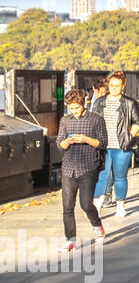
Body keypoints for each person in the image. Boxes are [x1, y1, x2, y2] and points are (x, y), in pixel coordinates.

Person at [56, 89, 107, 250]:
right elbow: (59, 144)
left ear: (83, 104)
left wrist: (85, 139)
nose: (74, 111)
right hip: (69, 167)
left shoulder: (96, 120)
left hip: (89, 166)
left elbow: (103, 143)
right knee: (67, 206)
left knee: (85, 204)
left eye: (76, 108)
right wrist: (68, 141)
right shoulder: (65, 121)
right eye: (71, 108)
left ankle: (96, 224)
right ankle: (70, 239)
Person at [92, 71, 139, 216]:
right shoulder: (99, 102)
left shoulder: (129, 103)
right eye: (111, 85)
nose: (114, 88)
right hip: (103, 145)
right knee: (101, 175)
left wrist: (130, 136)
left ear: (123, 86)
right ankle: (96, 206)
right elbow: (93, 121)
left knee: (120, 176)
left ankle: (120, 206)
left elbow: (138, 122)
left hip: (122, 146)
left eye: (117, 86)